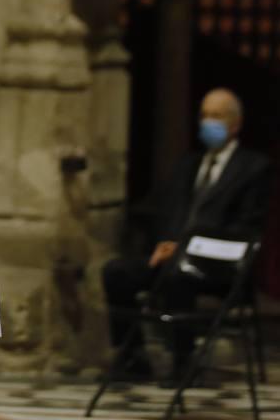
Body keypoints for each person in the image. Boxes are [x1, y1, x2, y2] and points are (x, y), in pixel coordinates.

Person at [102, 88, 272, 381]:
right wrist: (164, 245)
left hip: (217, 265)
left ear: (235, 124)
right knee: (116, 272)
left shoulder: (254, 168)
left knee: (176, 275)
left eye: (216, 116)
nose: (208, 122)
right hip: (172, 257)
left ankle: (183, 359)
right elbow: (164, 211)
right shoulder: (187, 164)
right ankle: (133, 356)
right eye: (204, 115)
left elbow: (244, 227)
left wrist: (185, 248)